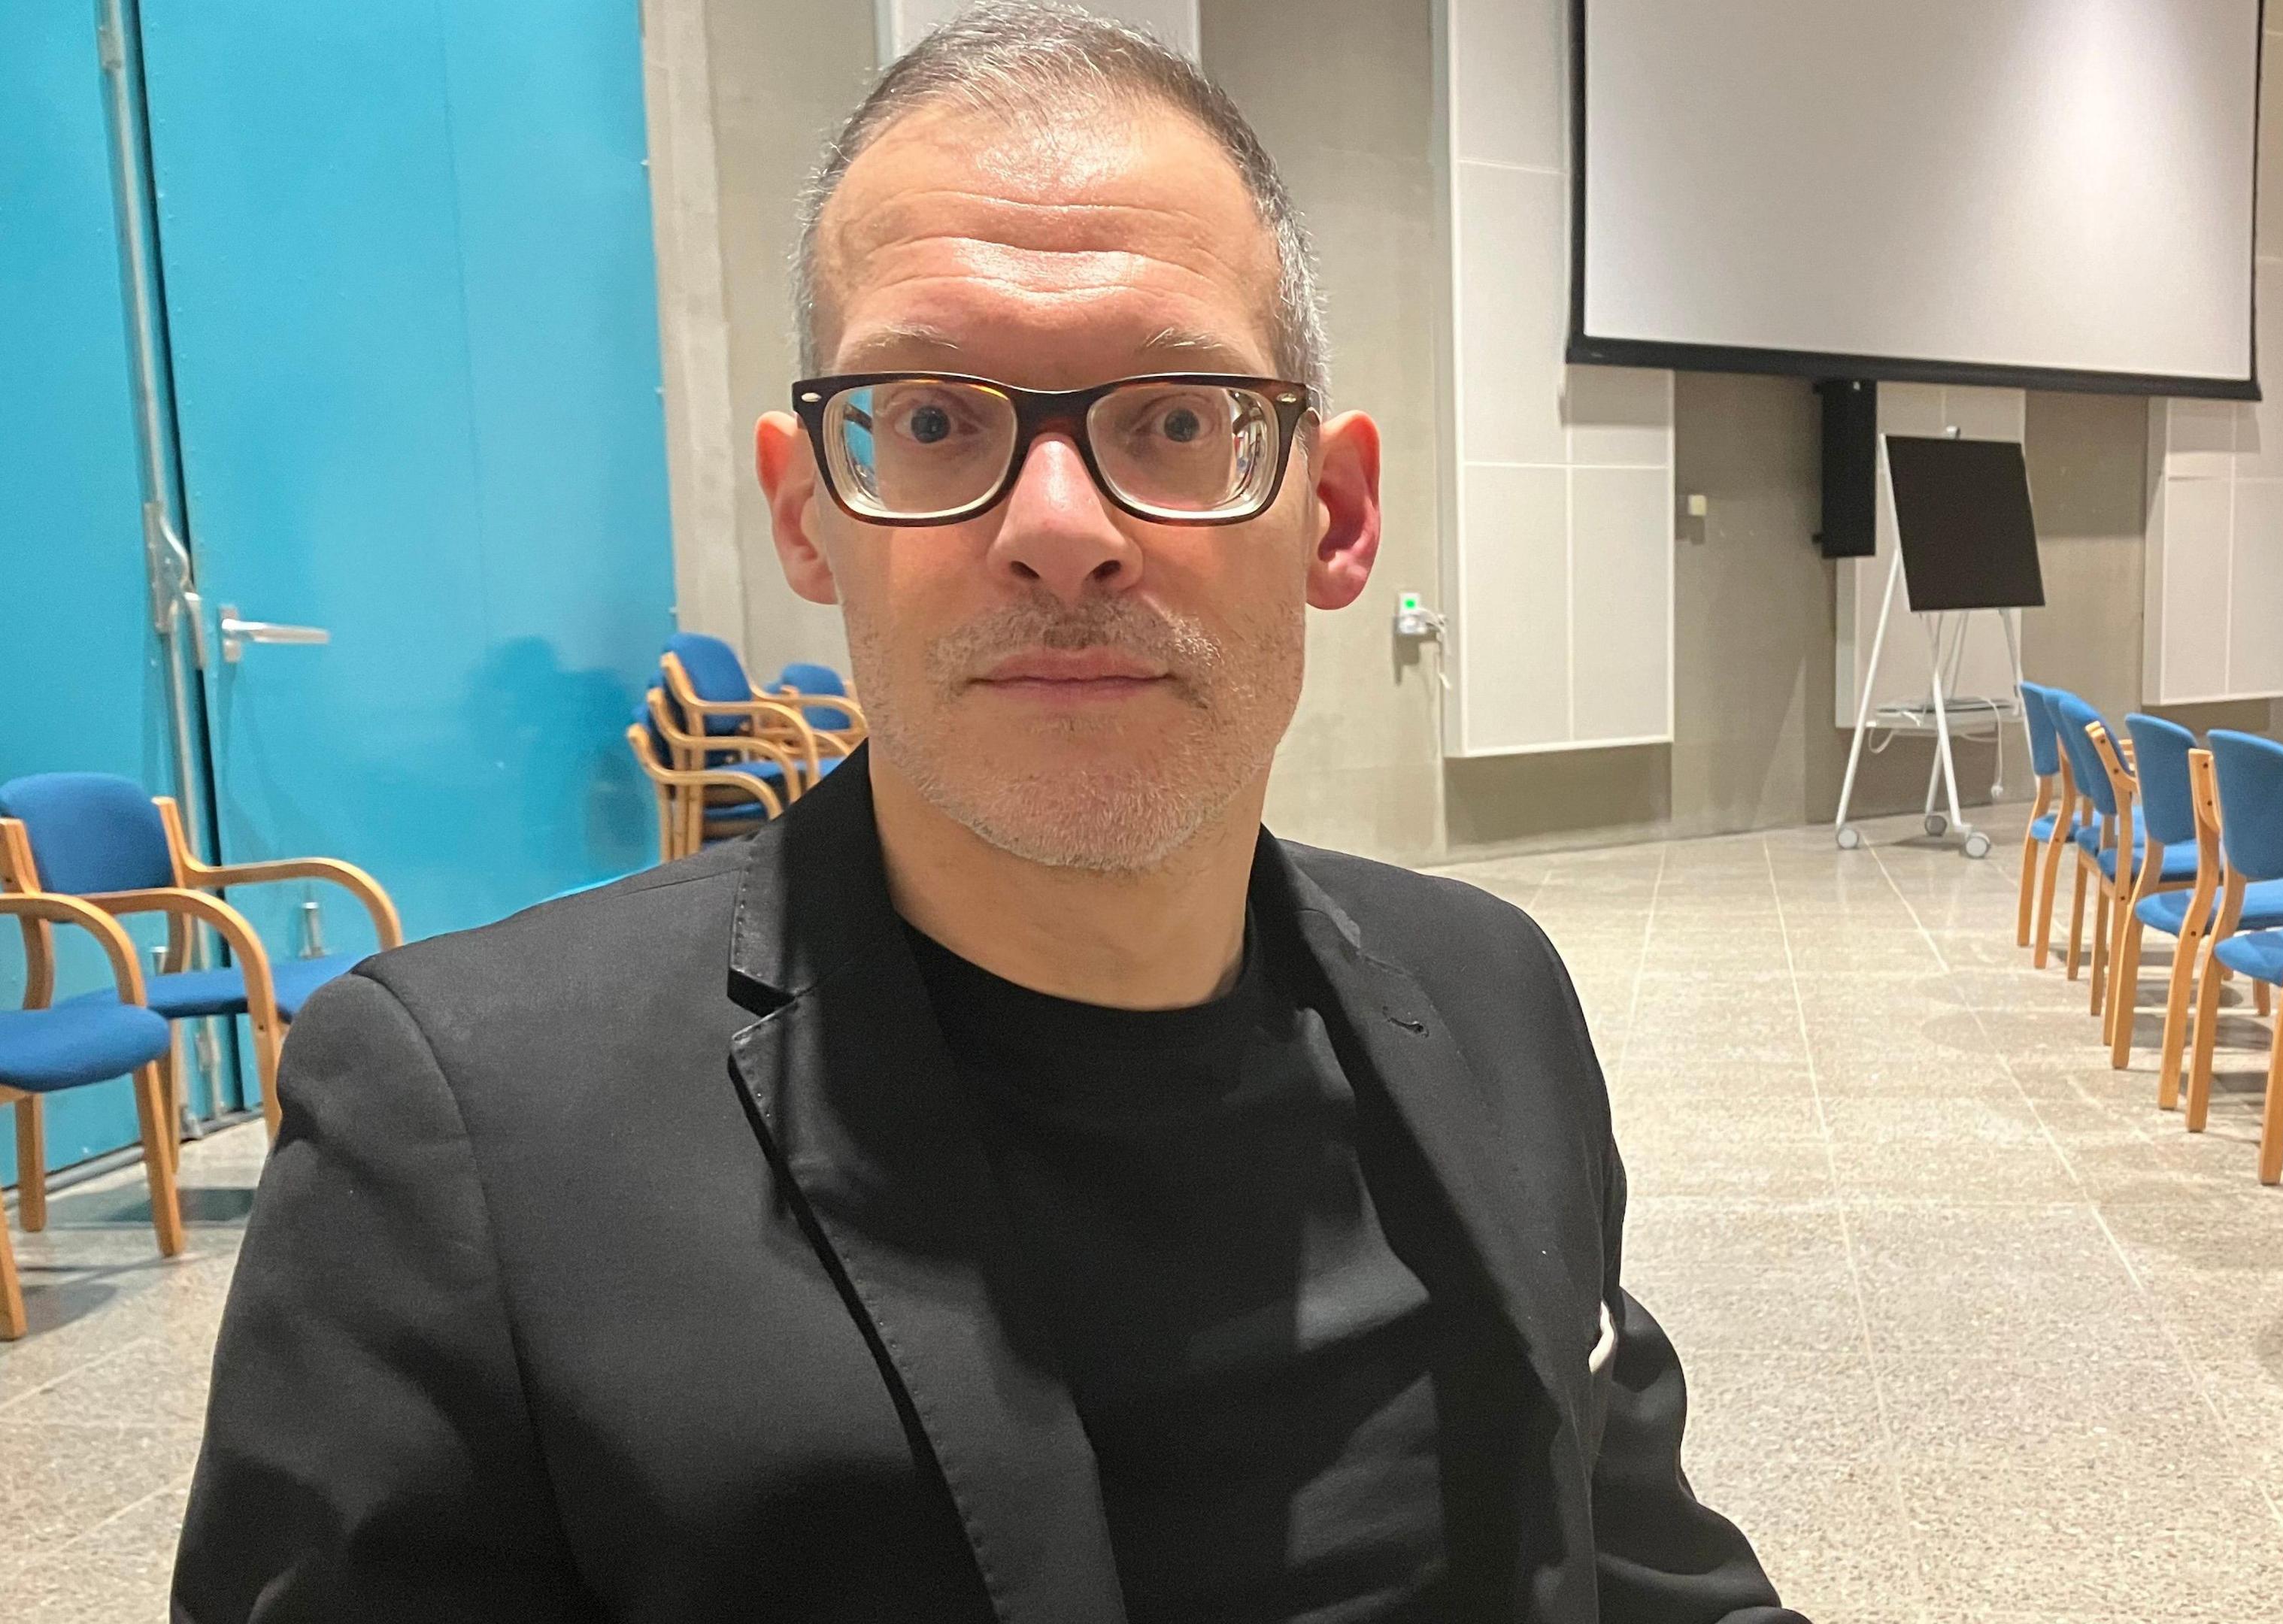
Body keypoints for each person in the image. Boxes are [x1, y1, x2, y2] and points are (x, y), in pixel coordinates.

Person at [172, 5, 1802, 1621]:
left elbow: (1646, 1573)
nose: (1059, 528)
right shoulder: (466, 1137)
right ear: (810, 515)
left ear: (1339, 514)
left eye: (1174, 418)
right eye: (937, 421)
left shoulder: (1490, 993)